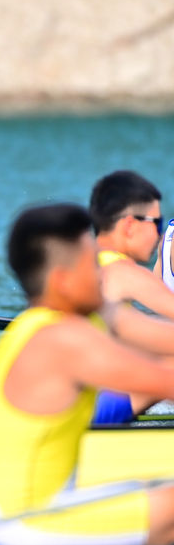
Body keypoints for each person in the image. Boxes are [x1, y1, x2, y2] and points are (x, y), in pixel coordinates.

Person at [0, 203, 174, 545]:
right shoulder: (61, 339)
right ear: (63, 281)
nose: (103, 275)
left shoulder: (39, 322)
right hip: (14, 528)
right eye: (93, 264)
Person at [88, 170, 174, 421]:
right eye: (157, 223)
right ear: (129, 225)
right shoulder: (124, 273)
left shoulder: (80, 262)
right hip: (86, 411)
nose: (160, 234)